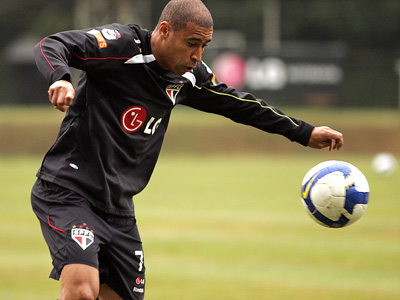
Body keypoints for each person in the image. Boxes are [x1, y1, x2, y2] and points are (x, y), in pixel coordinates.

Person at [31, 0, 343, 299]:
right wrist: (60, 78)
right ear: (164, 30)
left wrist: (305, 132)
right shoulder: (120, 46)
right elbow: (50, 45)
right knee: (83, 290)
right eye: (192, 43)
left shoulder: (189, 77)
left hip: (118, 207)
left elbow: (241, 104)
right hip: (69, 191)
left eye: (204, 46)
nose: (197, 55)